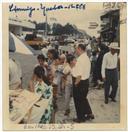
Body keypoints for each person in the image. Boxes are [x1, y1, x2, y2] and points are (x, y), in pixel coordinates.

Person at [72, 44, 94, 123]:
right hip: (86, 81)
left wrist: (75, 84)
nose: (75, 51)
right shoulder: (86, 57)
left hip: (80, 82)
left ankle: (80, 118)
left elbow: (79, 75)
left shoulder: (81, 59)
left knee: (78, 100)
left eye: (76, 49)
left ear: (80, 49)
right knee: (83, 99)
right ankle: (89, 113)